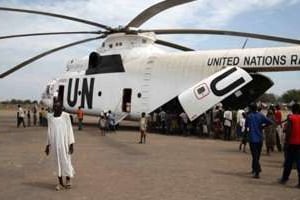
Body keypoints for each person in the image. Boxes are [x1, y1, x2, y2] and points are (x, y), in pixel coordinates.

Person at [45, 101, 75, 191]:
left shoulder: (66, 116)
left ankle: (68, 180)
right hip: (55, 144)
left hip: (64, 144)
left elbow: (70, 130)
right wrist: (47, 145)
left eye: (58, 107)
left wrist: (71, 144)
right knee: (57, 163)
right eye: (54, 107)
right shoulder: (50, 117)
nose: (56, 108)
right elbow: (49, 132)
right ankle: (60, 183)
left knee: (66, 161)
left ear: (61, 107)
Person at [245, 102, 273, 178]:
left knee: (255, 156)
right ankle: (254, 168)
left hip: (252, 139)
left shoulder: (249, 116)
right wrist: (263, 126)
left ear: (250, 109)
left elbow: (246, 126)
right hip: (260, 139)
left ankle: (257, 171)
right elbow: (270, 122)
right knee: (257, 156)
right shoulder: (261, 115)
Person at [279, 103, 300, 187]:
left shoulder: (291, 118)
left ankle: (284, 178)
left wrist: (286, 142)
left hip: (292, 143)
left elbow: (288, 131)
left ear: (293, 109)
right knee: (299, 162)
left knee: (288, 162)